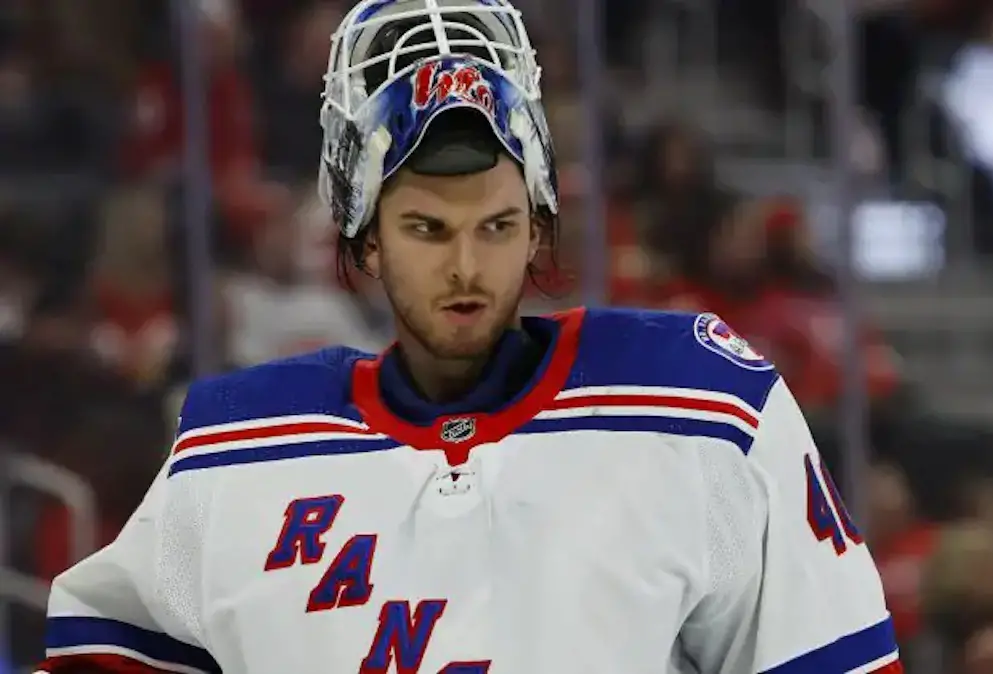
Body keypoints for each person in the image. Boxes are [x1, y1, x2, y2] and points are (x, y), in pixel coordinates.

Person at [37, 1, 901, 672]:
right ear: (364, 236)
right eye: (426, 229)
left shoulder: (702, 406)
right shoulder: (240, 445)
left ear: (539, 226)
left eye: (496, 226)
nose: (466, 267)